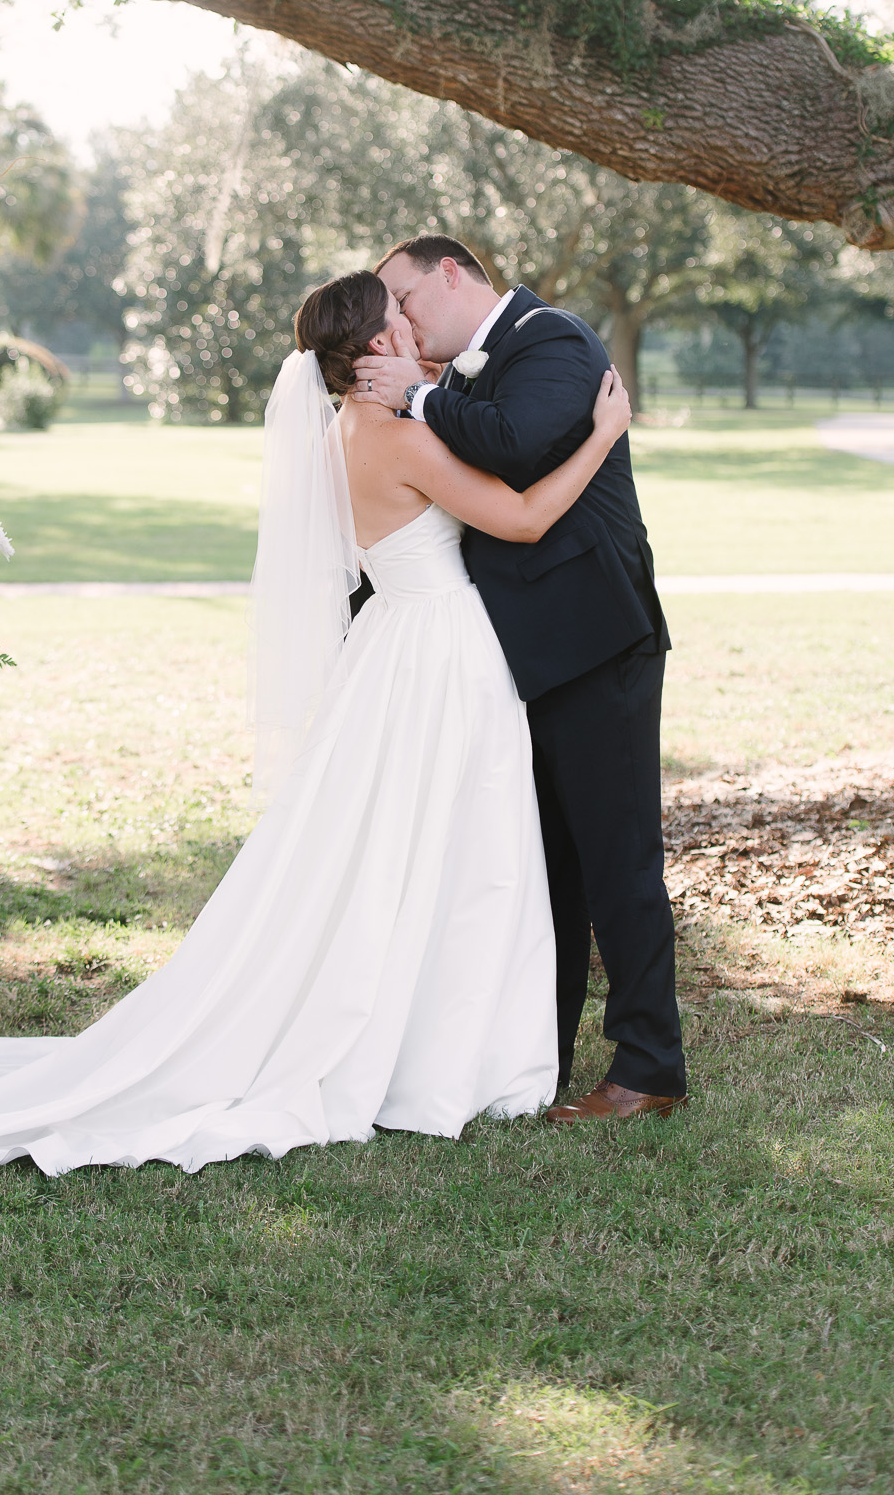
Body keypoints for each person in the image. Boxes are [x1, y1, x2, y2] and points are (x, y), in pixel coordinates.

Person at [0, 270, 630, 1179]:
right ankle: (444, 1054)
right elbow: (521, 516)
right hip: (437, 655)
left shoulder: (347, 430)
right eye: (400, 318)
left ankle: (442, 1040)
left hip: (401, 646)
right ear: (376, 348)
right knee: (452, 850)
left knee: (415, 851)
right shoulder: (394, 436)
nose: (415, 326)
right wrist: (602, 433)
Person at [352, 236, 685, 1123]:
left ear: (451, 275)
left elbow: (517, 441)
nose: (402, 322)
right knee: (548, 867)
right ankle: (538, 1055)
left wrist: (416, 395)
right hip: (517, 655)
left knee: (617, 860)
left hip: (595, 641)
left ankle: (649, 1068)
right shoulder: (459, 374)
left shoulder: (553, 339)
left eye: (405, 299)